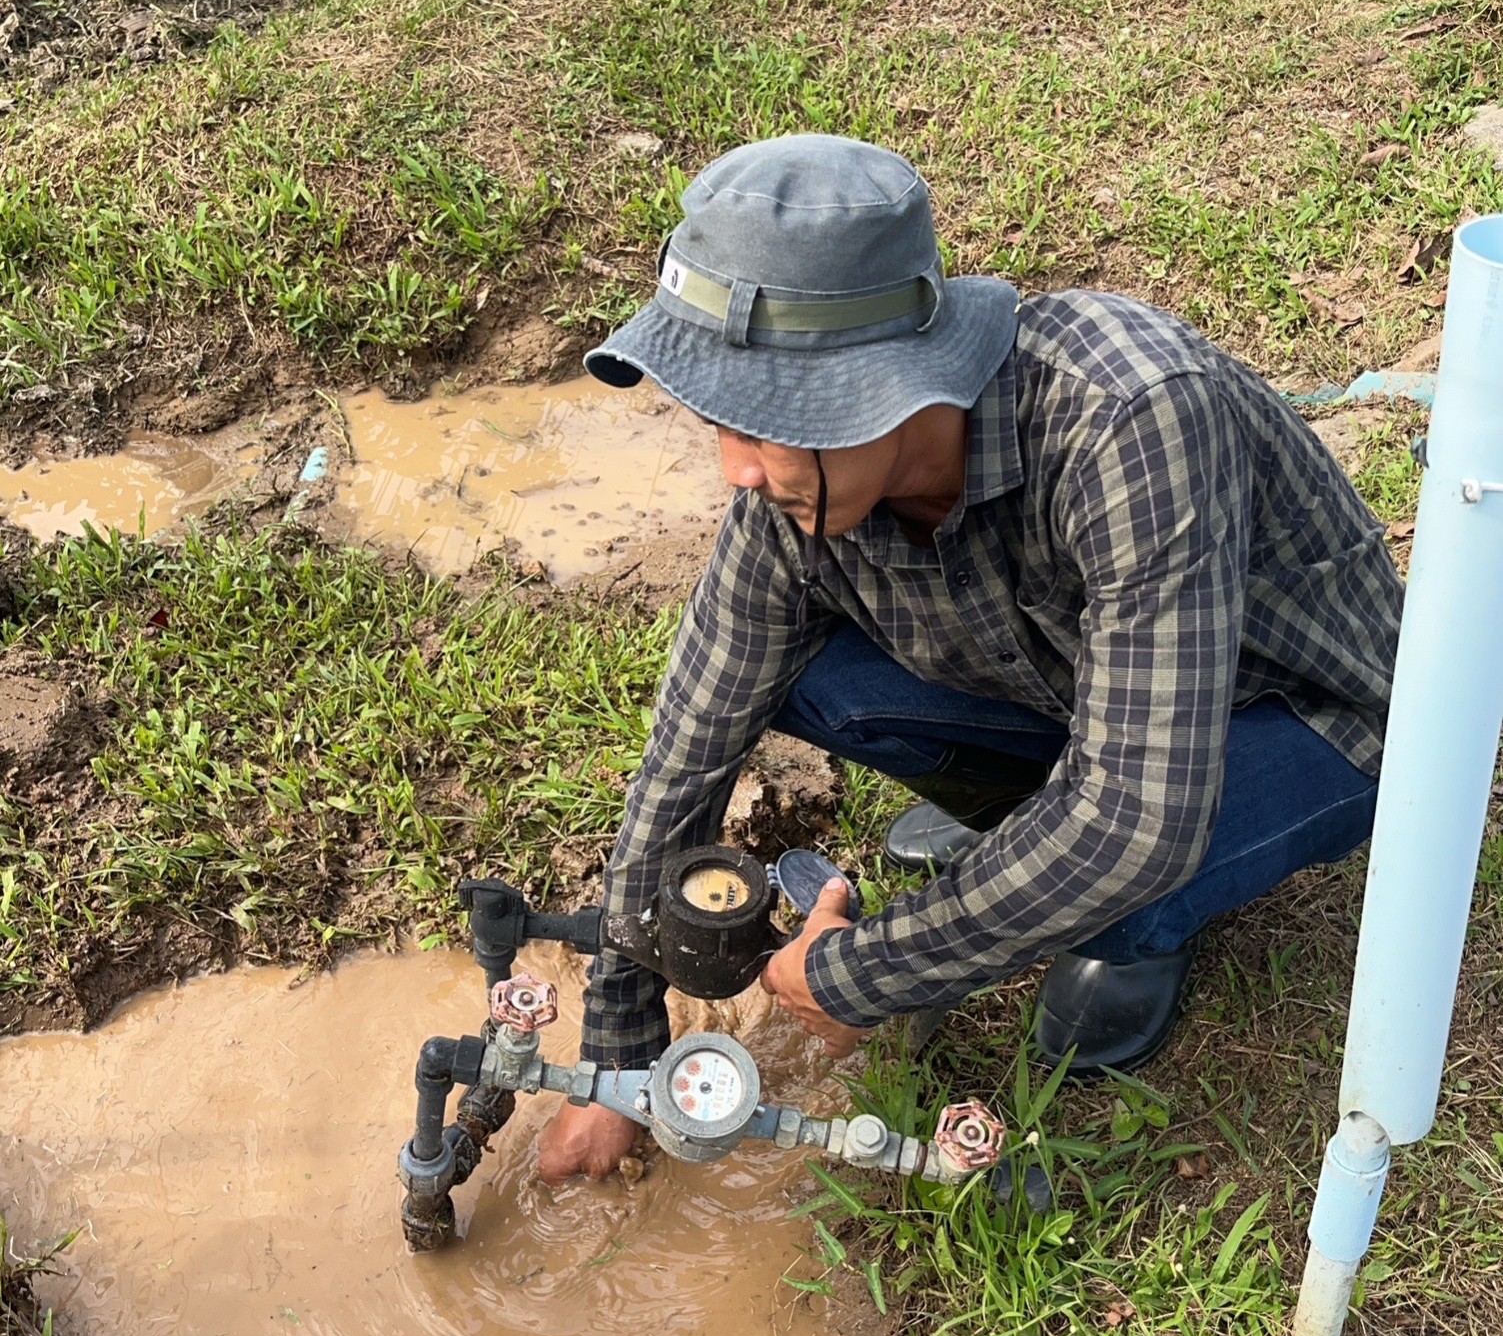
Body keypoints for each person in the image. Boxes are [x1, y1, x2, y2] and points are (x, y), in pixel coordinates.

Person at [535, 133, 1402, 1184]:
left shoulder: (1131, 416)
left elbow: (1136, 814)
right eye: (714, 425)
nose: (737, 473)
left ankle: (1134, 921)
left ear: (882, 386)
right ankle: (1035, 829)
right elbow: (689, 740)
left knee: (1118, 875)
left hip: (1308, 714)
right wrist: (618, 1055)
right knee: (802, 680)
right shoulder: (789, 492)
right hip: (1097, 693)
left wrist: (869, 971)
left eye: (761, 427)